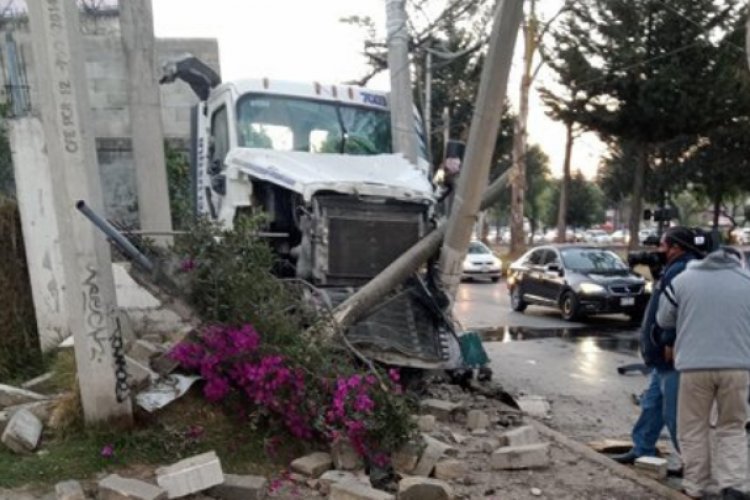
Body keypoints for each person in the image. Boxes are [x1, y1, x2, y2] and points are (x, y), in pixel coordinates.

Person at [657, 247, 750, 500]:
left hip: (694, 367)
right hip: (737, 367)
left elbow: (664, 319)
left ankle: (696, 486)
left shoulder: (683, 281)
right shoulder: (746, 281)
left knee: (693, 427)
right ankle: (734, 486)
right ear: (736, 260)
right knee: (733, 426)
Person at [611, 226, 700, 466]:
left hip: (671, 356)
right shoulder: (672, 268)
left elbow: (676, 311)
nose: (657, 251)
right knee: (651, 406)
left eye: (661, 246)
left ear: (676, 247)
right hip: (660, 358)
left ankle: (694, 467)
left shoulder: (683, 270)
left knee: (674, 415)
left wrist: (668, 340)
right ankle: (642, 449)